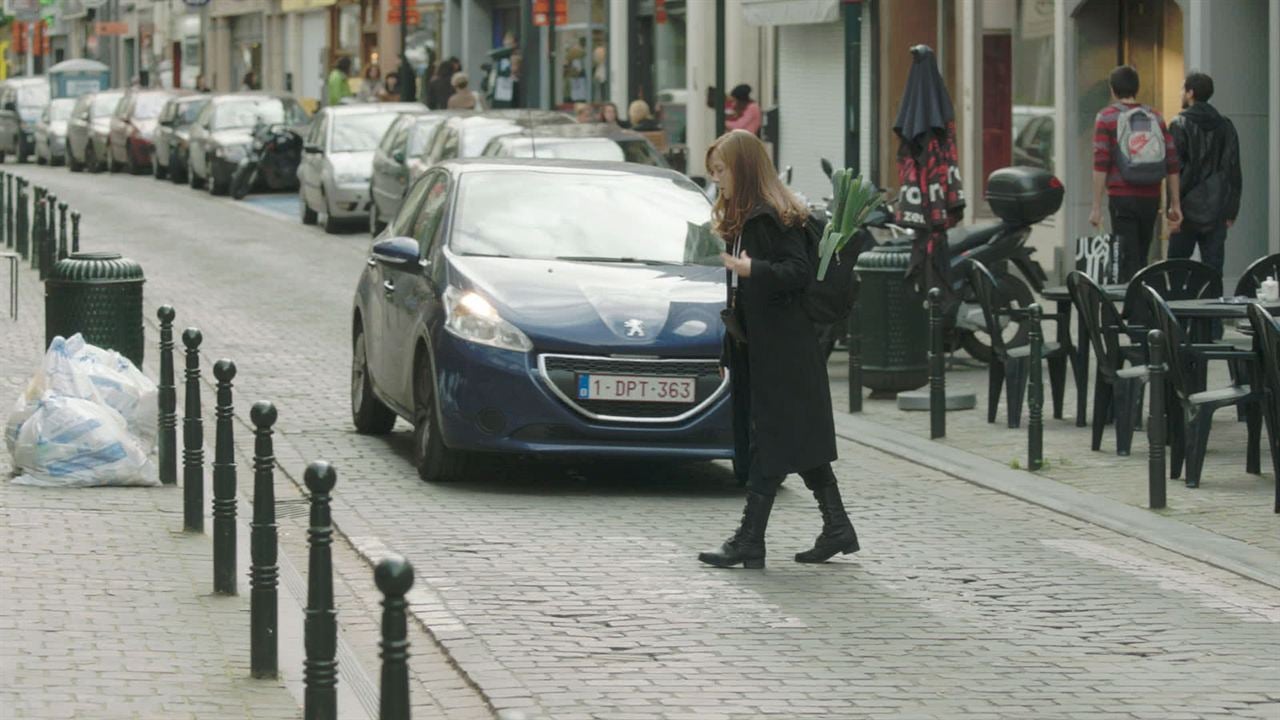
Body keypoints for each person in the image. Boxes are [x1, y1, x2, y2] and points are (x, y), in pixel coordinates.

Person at [697, 129, 859, 570]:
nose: (717, 180)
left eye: (721, 170)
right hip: (774, 347)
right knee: (797, 440)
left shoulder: (768, 217)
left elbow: (797, 272)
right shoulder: (755, 213)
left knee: (771, 441)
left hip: (783, 350)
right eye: (713, 172)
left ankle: (749, 540)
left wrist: (753, 268)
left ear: (744, 170)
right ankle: (837, 527)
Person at [1089, 65, 1182, 281]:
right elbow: (1172, 162)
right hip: (1151, 197)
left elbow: (1100, 162)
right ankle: (1142, 307)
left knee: (1126, 258)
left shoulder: (1106, 117)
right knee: (1141, 255)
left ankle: (1135, 312)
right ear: (1137, 88)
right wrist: (1174, 204)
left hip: (1122, 198)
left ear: (1112, 89)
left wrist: (1096, 206)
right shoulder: (1155, 117)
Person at [1168, 72, 1241, 283]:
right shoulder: (1226, 125)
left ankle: (1178, 314)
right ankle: (1212, 316)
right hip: (1218, 208)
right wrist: (1232, 209)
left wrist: (1173, 208)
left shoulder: (1179, 124)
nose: (1181, 93)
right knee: (1213, 271)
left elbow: (1174, 169)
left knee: (1176, 268)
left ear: (1190, 93)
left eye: (1183, 89)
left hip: (1185, 208)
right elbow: (1233, 169)